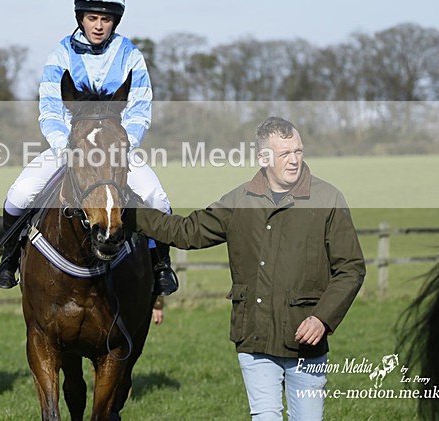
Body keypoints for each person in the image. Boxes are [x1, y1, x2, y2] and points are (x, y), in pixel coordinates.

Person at [131, 117, 366, 420]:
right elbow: (187, 231)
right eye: (285, 154)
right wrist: (129, 213)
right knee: (264, 416)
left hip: (306, 342)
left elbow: (351, 268)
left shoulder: (328, 199)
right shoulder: (240, 201)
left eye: (298, 151)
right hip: (254, 337)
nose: (294, 160)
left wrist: (322, 318)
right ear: (264, 158)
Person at [0, 0, 178, 296]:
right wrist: (68, 149)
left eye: (106, 19)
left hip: (116, 148)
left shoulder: (130, 56)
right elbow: (50, 109)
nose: (98, 25)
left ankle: (161, 265)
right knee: (19, 195)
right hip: (69, 146)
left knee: (157, 199)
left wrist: (121, 148)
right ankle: (9, 259)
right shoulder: (60, 54)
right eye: (92, 17)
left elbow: (139, 111)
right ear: (81, 17)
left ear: (115, 22)